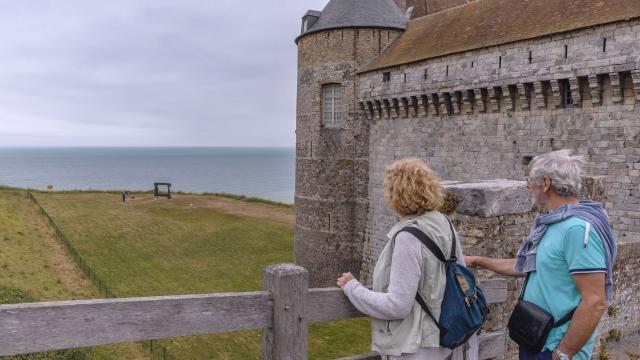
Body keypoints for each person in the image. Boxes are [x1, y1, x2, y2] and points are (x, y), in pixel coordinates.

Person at [465, 149, 616, 360]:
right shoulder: (554, 223)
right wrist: (477, 260)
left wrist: (563, 353)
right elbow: (524, 266)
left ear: (545, 183)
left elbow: (595, 302)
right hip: (536, 339)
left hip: (555, 347)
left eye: (530, 180)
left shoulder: (577, 230)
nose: (529, 186)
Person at [337, 158, 478, 360]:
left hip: (416, 349)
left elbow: (397, 305)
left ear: (396, 194)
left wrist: (353, 288)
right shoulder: (444, 222)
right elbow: (459, 277)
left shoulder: (408, 237)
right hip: (445, 341)